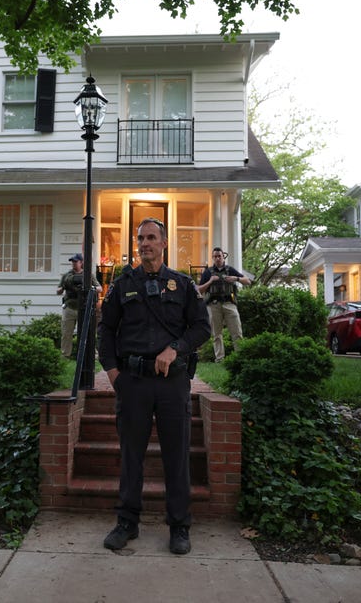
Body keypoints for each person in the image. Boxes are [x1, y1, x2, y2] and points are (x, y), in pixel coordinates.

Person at [97, 217, 211, 555]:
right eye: (140, 238)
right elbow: (106, 330)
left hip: (172, 383)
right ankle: (127, 522)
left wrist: (175, 348)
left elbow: (201, 328)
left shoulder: (182, 285)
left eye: (151, 238)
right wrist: (113, 372)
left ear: (164, 243)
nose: (144, 243)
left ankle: (179, 526)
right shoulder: (123, 284)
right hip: (132, 382)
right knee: (131, 455)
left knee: (176, 455)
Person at [198, 247, 251, 362]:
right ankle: (220, 359)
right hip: (213, 305)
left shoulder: (230, 270)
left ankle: (240, 358)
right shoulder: (208, 272)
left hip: (229, 304)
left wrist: (236, 278)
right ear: (212, 258)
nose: (217, 258)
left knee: (237, 332)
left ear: (223, 256)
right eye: (215, 256)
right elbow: (199, 290)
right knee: (216, 335)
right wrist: (210, 281)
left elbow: (248, 281)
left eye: (219, 256)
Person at [56, 253, 101, 358]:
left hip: (84, 308)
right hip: (69, 308)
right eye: (72, 262)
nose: (73, 264)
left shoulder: (88, 275)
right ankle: (65, 355)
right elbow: (58, 291)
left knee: (88, 332)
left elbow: (100, 288)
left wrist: (89, 287)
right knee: (66, 333)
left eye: (76, 261)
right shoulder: (67, 276)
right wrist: (62, 288)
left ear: (81, 263)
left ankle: (92, 354)